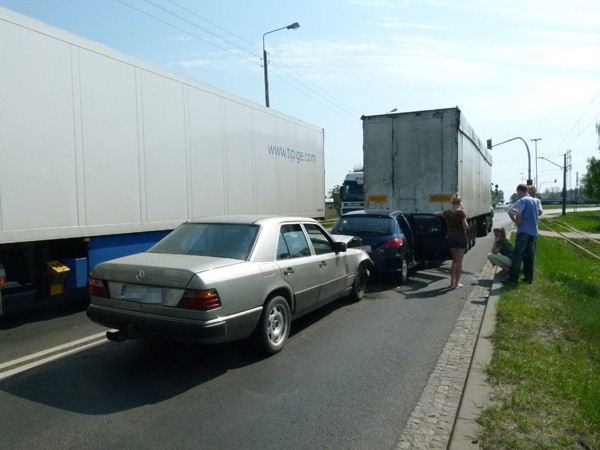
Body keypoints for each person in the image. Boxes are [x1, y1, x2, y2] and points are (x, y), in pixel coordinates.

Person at [506, 183, 540, 284]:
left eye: (518, 193)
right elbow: (538, 212)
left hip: (523, 231)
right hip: (534, 232)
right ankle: (529, 278)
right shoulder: (535, 201)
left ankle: (513, 278)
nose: (518, 195)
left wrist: (517, 221)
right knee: (530, 256)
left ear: (521, 191)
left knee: (518, 255)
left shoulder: (523, 200)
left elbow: (512, 211)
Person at [436, 193, 469, 288]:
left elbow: (437, 214)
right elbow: (465, 227)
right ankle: (456, 283)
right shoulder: (461, 213)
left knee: (454, 261)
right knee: (459, 262)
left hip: (451, 238)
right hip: (461, 238)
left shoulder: (446, 213)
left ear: (452, 202)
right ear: (460, 202)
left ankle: (451, 282)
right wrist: (464, 219)